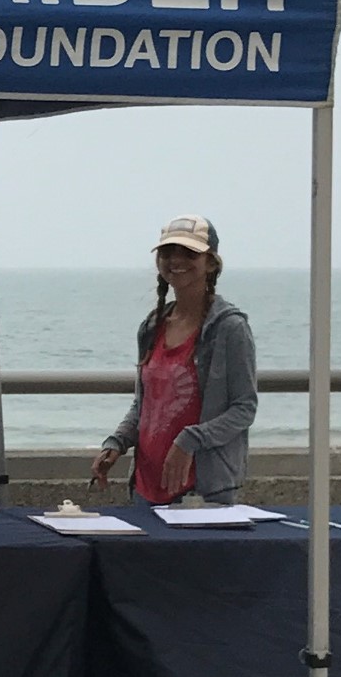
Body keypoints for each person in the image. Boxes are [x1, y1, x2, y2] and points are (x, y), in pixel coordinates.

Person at [91, 215, 259, 507]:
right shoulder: (153, 325)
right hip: (145, 488)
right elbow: (146, 405)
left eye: (189, 253)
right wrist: (116, 443)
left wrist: (190, 440)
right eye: (168, 253)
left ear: (211, 263)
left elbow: (244, 408)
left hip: (201, 492)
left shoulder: (229, 328)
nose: (176, 260)